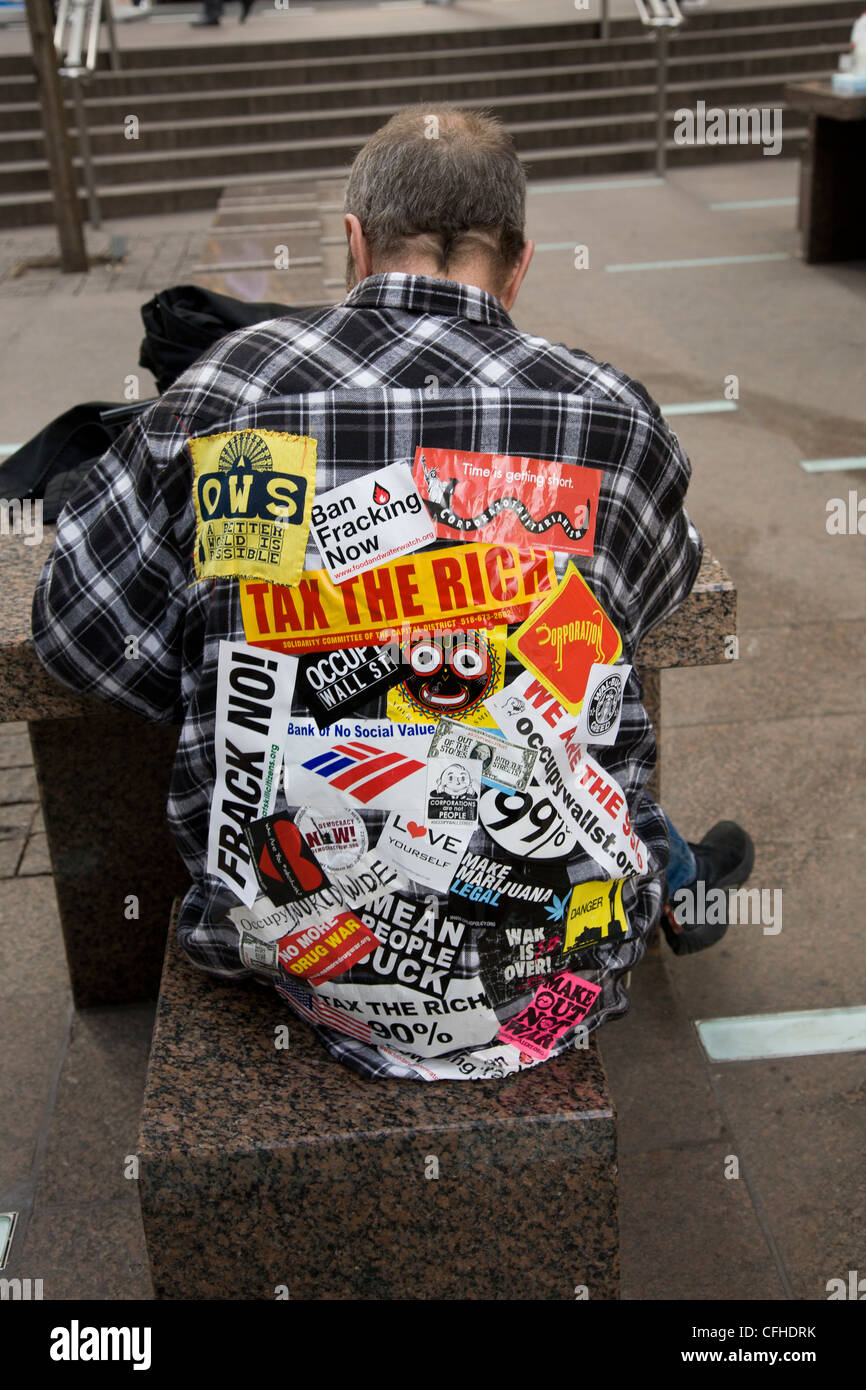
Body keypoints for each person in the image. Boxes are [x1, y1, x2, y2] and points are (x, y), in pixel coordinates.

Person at [31, 107, 750, 1082]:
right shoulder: (606, 413)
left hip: (286, 942)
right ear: (519, 261)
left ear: (354, 244)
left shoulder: (236, 395)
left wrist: (261, 667)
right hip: (557, 953)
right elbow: (642, 602)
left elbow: (77, 636)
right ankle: (662, 882)